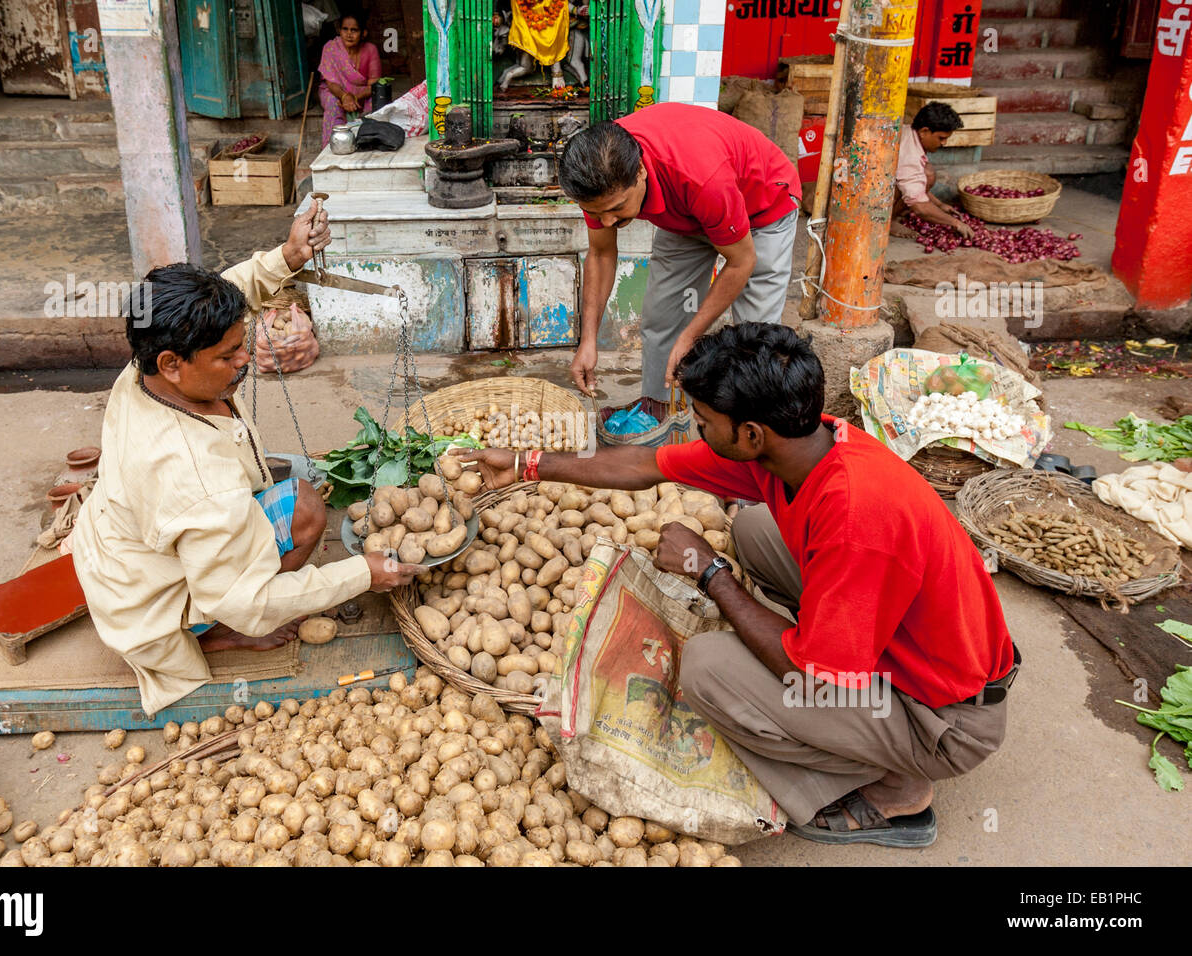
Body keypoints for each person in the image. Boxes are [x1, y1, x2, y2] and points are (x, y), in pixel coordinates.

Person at [458, 322, 1017, 848]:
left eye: (702, 421)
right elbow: (646, 464)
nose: (697, 430)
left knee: (706, 669)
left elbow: (807, 674)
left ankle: (898, 785)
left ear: (750, 434)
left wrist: (710, 573)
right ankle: (846, 678)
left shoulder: (856, 519)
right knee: (753, 526)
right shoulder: (804, 447)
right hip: (913, 646)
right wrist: (527, 463)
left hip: (946, 718)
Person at [70, 199, 421, 717]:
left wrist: (288, 256)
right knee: (300, 522)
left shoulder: (148, 360)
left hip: (128, 554)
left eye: (243, 344)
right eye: (229, 355)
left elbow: (227, 290)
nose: (245, 361)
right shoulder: (192, 476)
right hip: (149, 604)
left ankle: (210, 615)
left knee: (301, 496)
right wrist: (362, 575)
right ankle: (211, 634)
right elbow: (245, 600)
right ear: (172, 364)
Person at [558, 103, 801, 413]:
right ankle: (661, 422)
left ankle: (750, 432)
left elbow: (741, 262)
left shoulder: (702, 178)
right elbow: (602, 253)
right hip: (688, 212)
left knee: (756, 338)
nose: (606, 222)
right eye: (596, 213)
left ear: (641, 171)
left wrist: (691, 336)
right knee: (663, 319)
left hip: (762, 206)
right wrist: (588, 341)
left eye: (617, 208)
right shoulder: (596, 176)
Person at [891, 102, 974, 240]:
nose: (944, 143)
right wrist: (956, 223)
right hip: (863, 193)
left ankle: (890, 217)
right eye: (941, 138)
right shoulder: (910, 156)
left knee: (927, 172)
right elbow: (920, 207)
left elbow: (916, 183)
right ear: (924, 131)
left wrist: (939, 204)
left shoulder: (910, 133)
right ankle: (885, 222)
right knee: (924, 176)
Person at [319, 12, 381, 146]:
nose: (349, 34)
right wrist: (344, 96)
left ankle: (366, 144)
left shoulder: (370, 50)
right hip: (335, 90)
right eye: (345, 29)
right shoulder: (330, 48)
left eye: (354, 30)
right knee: (331, 102)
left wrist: (355, 97)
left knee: (376, 101)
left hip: (361, 93)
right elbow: (331, 82)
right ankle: (333, 147)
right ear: (339, 31)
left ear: (363, 33)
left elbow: (374, 85)